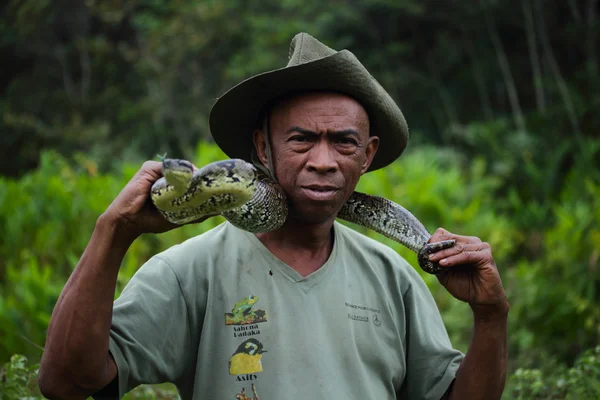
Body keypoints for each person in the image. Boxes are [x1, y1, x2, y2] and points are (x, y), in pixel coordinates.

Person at [39, 33, 509, 400]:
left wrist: (489, 316)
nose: (323, 161)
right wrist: (113, 231)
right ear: (263, 149)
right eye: (301, 139)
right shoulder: (190, 271)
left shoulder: (394, 278)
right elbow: (65, 382)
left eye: (343, 142)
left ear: (367, 156)